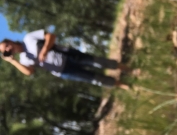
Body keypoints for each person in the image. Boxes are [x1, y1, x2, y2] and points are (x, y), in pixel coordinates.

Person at [0, 29, 130, 89]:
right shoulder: (23, 59)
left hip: (68, 55)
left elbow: (51, 36)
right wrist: (12, 61)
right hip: (63, 71)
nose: (7, 49)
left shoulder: (28, 38)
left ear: (10, 41)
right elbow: (29, 72)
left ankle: (127, 69)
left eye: (6, 46)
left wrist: (44, 50)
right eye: (4, 51)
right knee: (93, 78)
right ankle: (122, 85)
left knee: (97, 62)